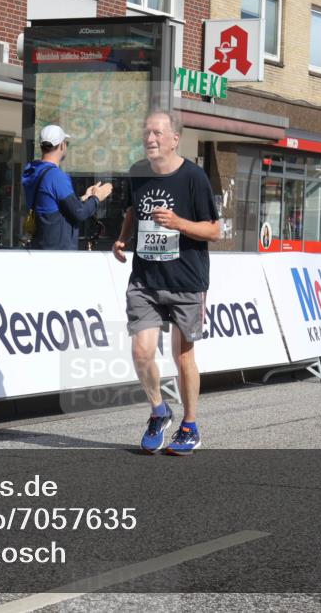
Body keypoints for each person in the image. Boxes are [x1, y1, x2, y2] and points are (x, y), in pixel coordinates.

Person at [112, 110, 220, 456]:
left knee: (182, 354)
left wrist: (178, 222)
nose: (150, 138)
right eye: (146, 132)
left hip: (186, 279)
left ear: (175, 138)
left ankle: (190, 426)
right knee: (141, 351)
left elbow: (214, 230)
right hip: (145, 277)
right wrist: (123, 238)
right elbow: (133, 210)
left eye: (158, 133)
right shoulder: (137, 173)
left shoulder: (194, 177)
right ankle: (159, 411)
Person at [22, 124, 112, 250]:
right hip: (58, 253)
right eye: (66, 144)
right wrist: (97, 198)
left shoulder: (34, 171)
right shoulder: (55, 176)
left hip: (41, 247)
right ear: (62, 145)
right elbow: (79, 213)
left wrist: (83, 198)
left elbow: (55, 206)